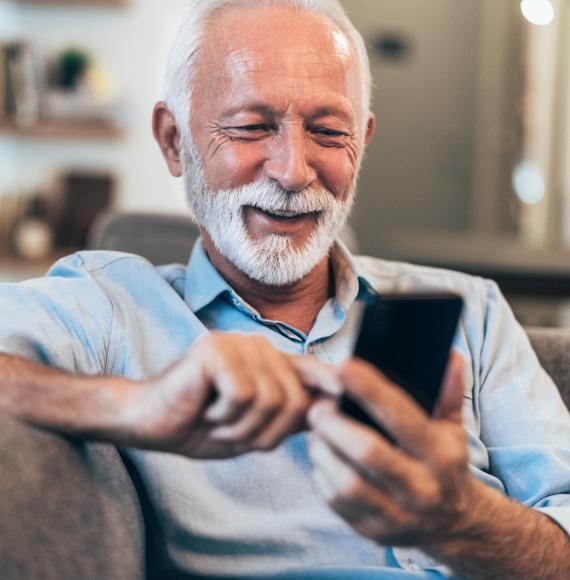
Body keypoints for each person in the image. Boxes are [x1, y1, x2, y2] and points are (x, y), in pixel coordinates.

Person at [0, 0, 569, 578]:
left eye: (327, 131)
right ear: (174, 141)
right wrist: (131, 405)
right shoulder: (108, 309)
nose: (294, 170)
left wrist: (461, 522)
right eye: (251, 127)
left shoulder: (474, 309)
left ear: (363, 142)